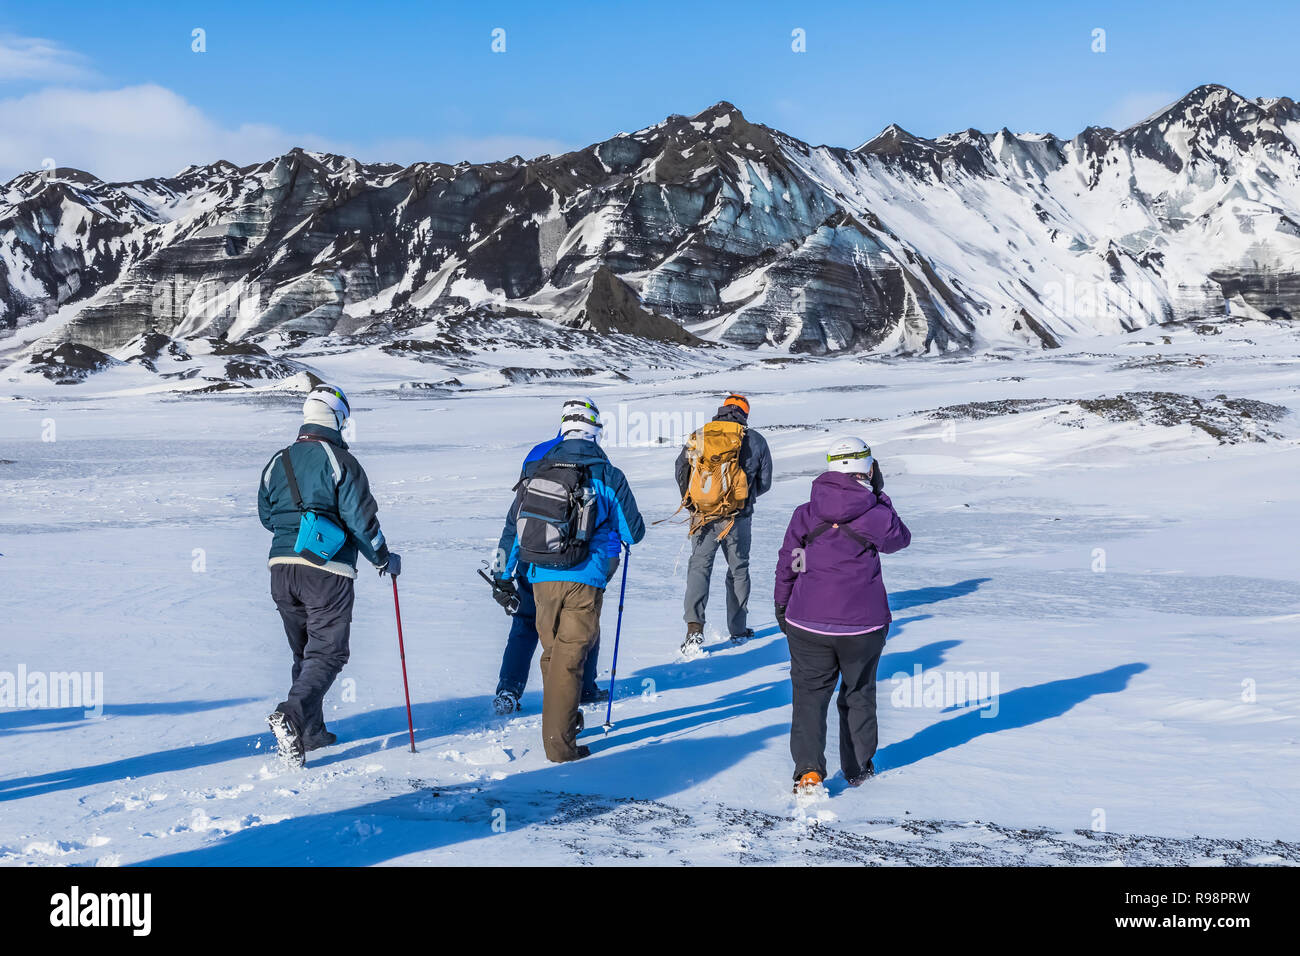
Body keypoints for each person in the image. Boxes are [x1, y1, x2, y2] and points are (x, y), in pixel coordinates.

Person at [257, 384, 400, 767]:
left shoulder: (278, 460)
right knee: (328, 652)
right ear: (338, 418)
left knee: (304, 653)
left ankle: (310, 732)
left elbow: (267, 516)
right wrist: (383, 558)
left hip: (280, 568)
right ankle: (292, 715)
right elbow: (362, 521)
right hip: (326, 571)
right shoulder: (340, 462)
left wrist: (293, 534)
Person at [496, 398, 645, 762]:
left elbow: (513, 529)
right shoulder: (608, 474)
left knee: (556, 655)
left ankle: (564, 719)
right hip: (587, 576)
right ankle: (560, 748)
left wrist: (503, 575)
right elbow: (634, 531)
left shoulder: (535, 469)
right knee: (567, 659)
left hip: (539, 575)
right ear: (595, 430)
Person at [773, 437, 910, 795]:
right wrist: (881, 497)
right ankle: (858, 768)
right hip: (863, 626)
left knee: (808, 696)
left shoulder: (806, 512)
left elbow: (792, 560)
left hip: (806, 621)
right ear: (868, 468)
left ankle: (808, 771)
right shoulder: (875, 513)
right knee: (859, 693)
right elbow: (899, 540)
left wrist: (783, 604)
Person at [488, 403, 609, 715]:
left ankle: (508, 691)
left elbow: (515, 523)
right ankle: (582, 689)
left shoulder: (536, 456)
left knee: (526, 624)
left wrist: (501, 574)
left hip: (532, 560)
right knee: (584, 624)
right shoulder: (595, 460)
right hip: (578, 563)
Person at [675, 393, 772, 655]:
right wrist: (743, 499)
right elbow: (765, 482)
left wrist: (696, 502)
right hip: (738, 518)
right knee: (738, 570)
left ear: (722, 410)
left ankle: (694, 631)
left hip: (703, 517)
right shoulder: (755, 440)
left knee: (699, 568)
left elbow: (680, 469)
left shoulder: (700, 434)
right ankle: (738, 631)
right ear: (745, 414)